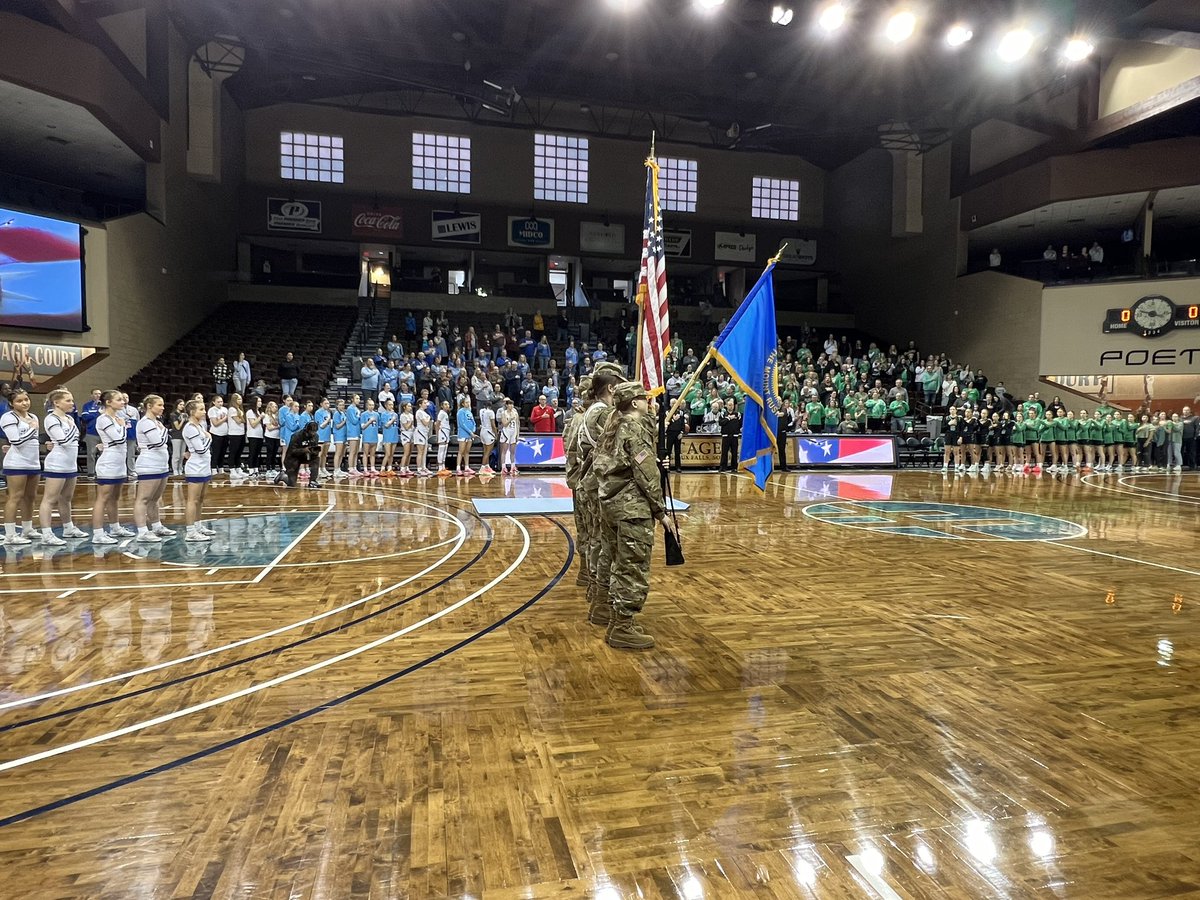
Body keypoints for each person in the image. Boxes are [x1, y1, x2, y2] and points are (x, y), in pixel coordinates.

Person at [593, 380, 668, 650]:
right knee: (632, 566)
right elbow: (647, 473)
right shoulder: (633, 429)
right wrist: (660, 511)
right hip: (632, 509)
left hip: (612, 504)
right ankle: (623, 627)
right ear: (635, 403)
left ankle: (616, 621)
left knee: (617, 563)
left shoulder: (615, 427)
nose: (649, 402)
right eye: (645, 399)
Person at [576, 363, 625, 624]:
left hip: (590, 482)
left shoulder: (591, 411)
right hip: (600, 485)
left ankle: (597, 596)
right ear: (611, 387)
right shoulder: (603, 412)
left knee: (597, 539)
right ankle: (601, 601)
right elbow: (620, 445)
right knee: (603, 543)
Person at [39, 388, 87, 543]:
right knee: (49, 499)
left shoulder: (69, 419)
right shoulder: (51, 419)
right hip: (57, 463)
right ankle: (46, 534)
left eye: (72, 400)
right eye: (68, 400)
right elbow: (64, 441)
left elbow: (73, 440)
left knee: (66, 498)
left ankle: (68, 528)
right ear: (56, 403)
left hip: (70, 464)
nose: (72, 403)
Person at [1, 388, 42, 544]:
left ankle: (27, 528)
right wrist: (32, 428)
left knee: (30, 497)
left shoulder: (33, 416)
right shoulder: (8, 417)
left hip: (33, 462)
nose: (24, 403)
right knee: (15, 497)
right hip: (16, 462)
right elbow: (16, 441)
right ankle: (10, 535)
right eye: (19, 401)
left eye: (26, 399)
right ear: (12, 403)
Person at [92, 390, 132, 544]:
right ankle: (98, 534)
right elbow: (119, 438)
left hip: (119, 462)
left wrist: (121, 425)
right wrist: (122, 427)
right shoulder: (103, 419)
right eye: (119, 400)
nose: (122, 402)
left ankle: (115, 527)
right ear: (108, 402)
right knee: (103, 498)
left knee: (115, 498)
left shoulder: (117, 418)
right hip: (108, 463)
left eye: (123, 399)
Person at [133, 394, 175, 542]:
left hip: (161, 464)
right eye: (159, 405)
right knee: (143, 498)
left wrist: (163, 429)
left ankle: (156, 526)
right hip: (149, 464)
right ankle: (142, 531)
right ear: (149, 406)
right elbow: (158, 442)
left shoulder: (156, 422)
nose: (162, 408)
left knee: (155, 498)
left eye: (163, 405)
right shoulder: (145, 422)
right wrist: (165, 430)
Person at [181, 399, 215, 541]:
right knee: (192, 500)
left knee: (200, 499)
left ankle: (198, 525)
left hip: (204, 466)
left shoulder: (199, 426)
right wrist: (209, 438)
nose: (204, 411)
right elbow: (200, 449)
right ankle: (190, 531)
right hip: (196, 466)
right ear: (192, 412)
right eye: (201, 409)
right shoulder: (190, 428)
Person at [275, 422, 322, 489]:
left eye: (315, 431)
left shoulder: (316, 436)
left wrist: (314, 451)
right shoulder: (296, 436)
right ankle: (283, 476)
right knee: (292, 484)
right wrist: (304, 450)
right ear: (307, 430)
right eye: (312, 431)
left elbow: (313, 449)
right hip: (292, 458)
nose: (313, 433)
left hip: (304, 456)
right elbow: (292, 451)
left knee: (316, 459)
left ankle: (313, 481)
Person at [80, 388, 103, 478]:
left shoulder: (105, 406)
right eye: (96, 394)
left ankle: (101, 471)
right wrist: (97, 413)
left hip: (103, 433)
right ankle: (91, 472)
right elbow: (85, 417)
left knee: (103, 454)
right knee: (91, 454)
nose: (98, 395)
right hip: (91, 433)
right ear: (91, 395)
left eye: (99, 394)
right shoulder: (87, 406)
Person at [498, 397, 520, 476]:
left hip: (513, 432)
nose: (511, 406)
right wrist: (510, 419)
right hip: (506, 432)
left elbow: (517, 424)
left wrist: (518, 434)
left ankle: (513, 467)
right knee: (504, 451)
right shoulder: (504, 413)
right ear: (506, 405)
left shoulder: (515, 413)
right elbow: (504, 424)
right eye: (509, 404)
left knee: (513, 451)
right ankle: (503, 467)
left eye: (512, 404)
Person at [206, 394, 228, 474]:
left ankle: (221, 468)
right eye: (218, 402)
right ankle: (214, 468)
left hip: (225, 433)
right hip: (216, 434)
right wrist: (225, 418)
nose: (220, 403)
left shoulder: (225, 409)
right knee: (216, 452)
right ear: (214, 402)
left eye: (221, 401)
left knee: (223, 452)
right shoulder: (212, 410)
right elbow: (215, 423)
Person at [455, 397, 476, 476]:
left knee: (467, 451)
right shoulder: (460, 412)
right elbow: (462, 424)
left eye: (468, 402)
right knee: (461, 451)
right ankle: (458, 468)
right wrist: (470, 432)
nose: (468, 403)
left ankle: (467, 467)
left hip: (470, 435)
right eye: (466, 402)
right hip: (463, 434)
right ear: (463, 403)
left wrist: (473, 430)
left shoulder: (469, 411)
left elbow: (473, 422)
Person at [359, 397, 380, 476]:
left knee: (373, 454)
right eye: (370, 405)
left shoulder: (377, 414)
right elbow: (363, 426)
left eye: (373, 405)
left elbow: (378, 425)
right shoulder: (363, 414)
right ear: (367, 405)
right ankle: (365, 468)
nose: (371, 406)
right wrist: (370, 421)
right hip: (366, 436)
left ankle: (372, 468)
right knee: (365, 453)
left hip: (374, 436)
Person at [226, 393, 247, 472]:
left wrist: (241, 417)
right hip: (234, 433)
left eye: (241, 399)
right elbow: (238, 421)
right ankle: (232, 469)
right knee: (233, 451)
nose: (240, 401)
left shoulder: (240, 409)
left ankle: (238, 468)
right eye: (238, 399)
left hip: (241, 432)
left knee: (239, 451)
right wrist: (241, 417)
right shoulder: (232, 409)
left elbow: (244, 421)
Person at [718, 397, 739, 472]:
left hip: (734, 436)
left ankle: (734, 467)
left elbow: (740, 423)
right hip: (726, 435)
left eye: (732, 405)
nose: (731, 406)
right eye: (729, 405)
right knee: (724, 452)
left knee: (734, 452)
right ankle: (723, 467)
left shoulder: (737, 414)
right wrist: (729, 418)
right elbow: (721, 422)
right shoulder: (723, 413)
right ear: (726, 406)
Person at [245, 396, 265, 475]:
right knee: (252, 452)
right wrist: (260, 417)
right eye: (259, 401)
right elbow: (253, 424)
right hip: (252, 435)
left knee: (257, 453)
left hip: (259, 435)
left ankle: (256, 469)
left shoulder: (259, 411)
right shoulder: (250, 412)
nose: (260, 403)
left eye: (261, 401)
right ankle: (250, 469)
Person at [413, 399, 432, 477]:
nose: (426, 404)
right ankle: (419, 468)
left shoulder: (424, 412)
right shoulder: (419, 412)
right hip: (420, 432)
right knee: (420, 451)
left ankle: (424, 467)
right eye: (424, 403)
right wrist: (429, 419)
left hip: (425, 433)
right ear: (420, 404)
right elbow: (425, 423)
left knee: (424, 452)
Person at [477, 399, 497, 475]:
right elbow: (493, 425)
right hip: (489, 432)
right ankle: (482, 468)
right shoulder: (491, 412)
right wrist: (496, 434)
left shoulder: (481, 411)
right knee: (488, 452)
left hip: (482, 431)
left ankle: (487, 467)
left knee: (485, 451)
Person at [262, 401, 281, 473]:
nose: (275, 408)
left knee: (274, 453)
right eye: (273, 406)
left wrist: (275, 426)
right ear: (269, 408)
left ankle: (273, 468)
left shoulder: (277, 416)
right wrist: (278, 426)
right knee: (269, 453)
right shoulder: (267, 416)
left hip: (277, 437)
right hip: (269, 437)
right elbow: (269, 428)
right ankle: (268, 469)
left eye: (276, 406)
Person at [435, 400, 452, 476]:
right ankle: (439, 467)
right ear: (441, 406)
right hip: (442, 433)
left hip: (446, 433)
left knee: (445, 450)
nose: (447, 405)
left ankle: (443, 467)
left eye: (448, 404)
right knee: (441, 450)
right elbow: (437, 424)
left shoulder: (445, 413)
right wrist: (437, 434)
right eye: (445, 404)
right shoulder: (441, 413)